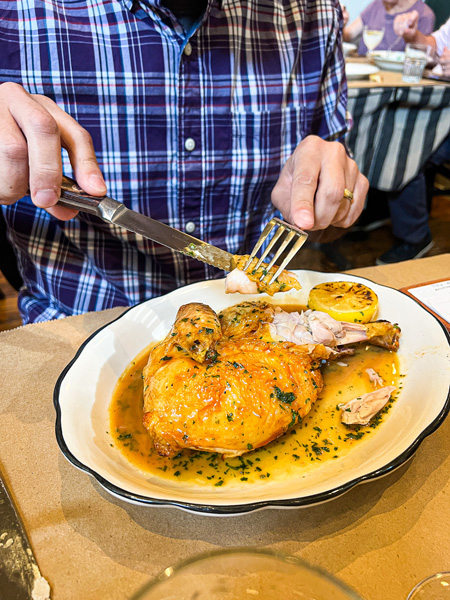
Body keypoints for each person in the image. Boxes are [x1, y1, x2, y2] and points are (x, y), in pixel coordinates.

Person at [0, 0, 368, 324]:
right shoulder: (13, 12)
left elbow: (328, 216)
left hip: (258, 321)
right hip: (77, 323)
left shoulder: (315, 12)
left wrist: (335, 198)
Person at [342, 0, 435, 56]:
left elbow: (422, 59)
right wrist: (339, 24)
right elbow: (347, 36)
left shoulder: (424, 15)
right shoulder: (377, 4)